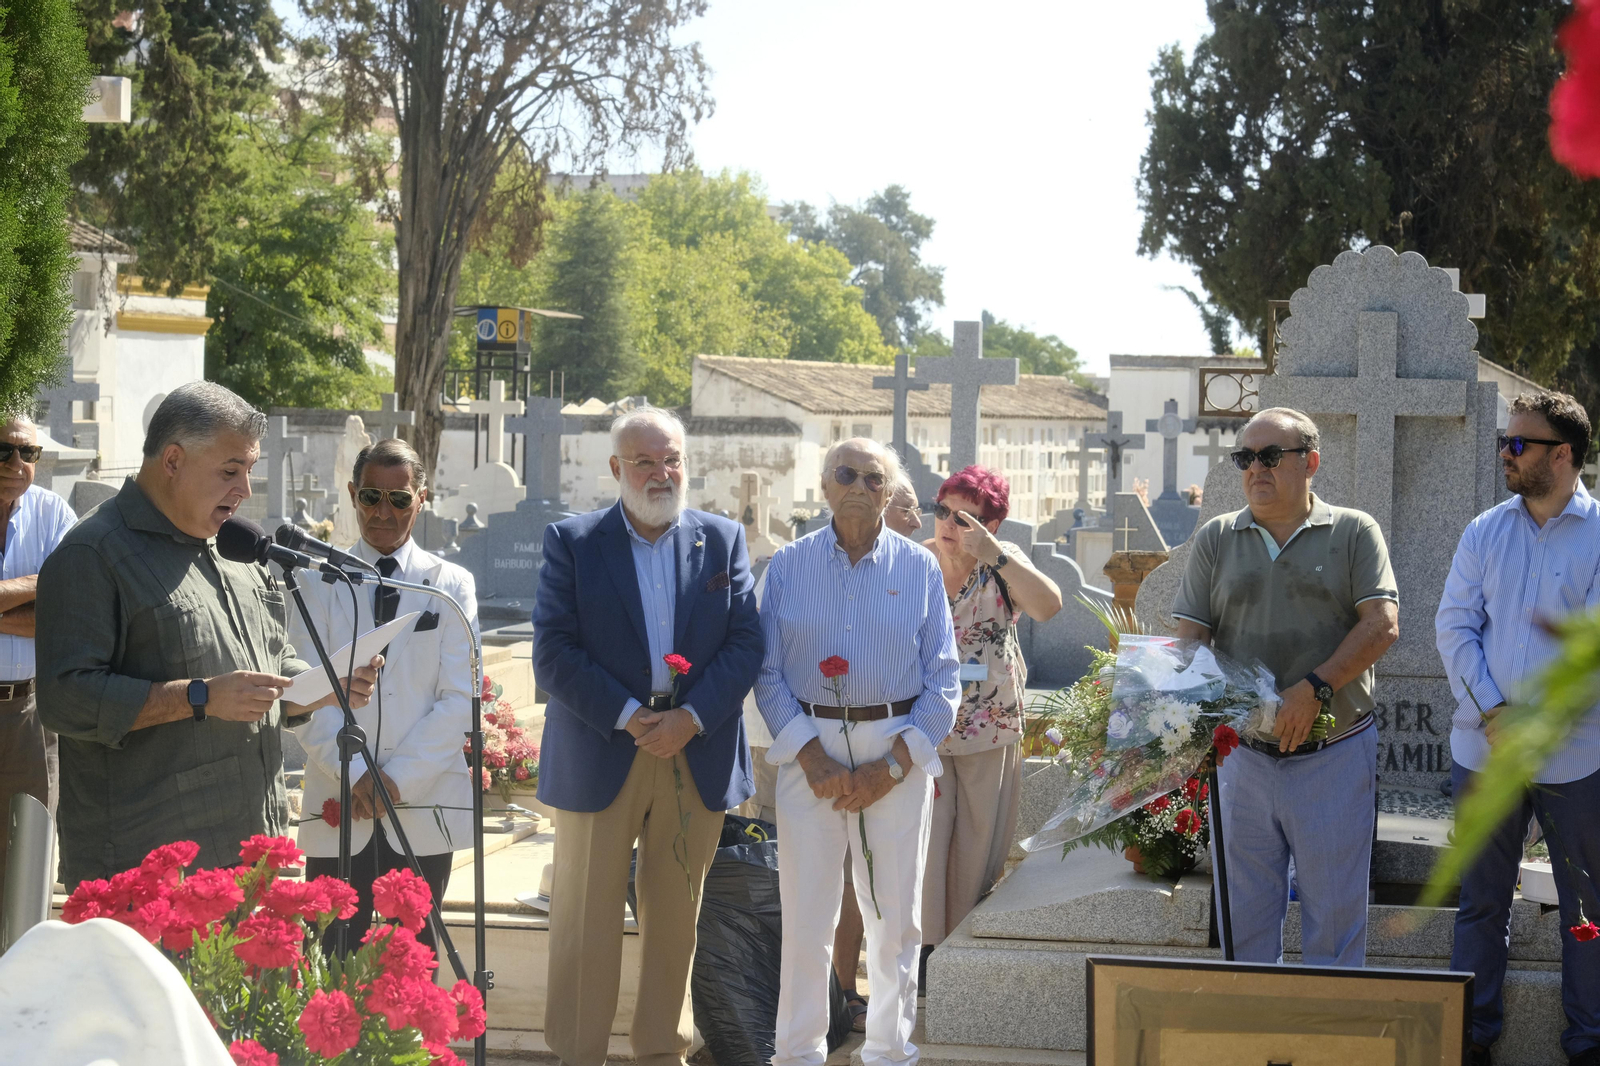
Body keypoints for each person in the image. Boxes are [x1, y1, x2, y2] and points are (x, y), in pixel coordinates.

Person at [34, 382, 379, 886]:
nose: (245, 489)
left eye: (250, 470)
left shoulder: (234, 549)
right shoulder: (93, 553)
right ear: (173, 460)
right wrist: (199, 697)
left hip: (248, 849)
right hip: (147, 866)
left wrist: (321, 687)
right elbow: (65, 699)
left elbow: (271, 658)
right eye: (230, 471)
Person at [532, 406, 763, 1066]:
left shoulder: (722, 539)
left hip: (696, 749)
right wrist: (631, 714)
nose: (662, 474)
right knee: (585, 918)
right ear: (616, 468)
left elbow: (746, 642)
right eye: (645, 462)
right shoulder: (573, 542)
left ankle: (663, 1052)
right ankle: (579, 1055)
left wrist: (691, 717)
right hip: (604, 746)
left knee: (676, 921)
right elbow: (553, 652)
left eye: (672, 460)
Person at [756, 438, 959, 1066]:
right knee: (806, 916)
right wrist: (810, 756)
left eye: (874, 478)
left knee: (894, 918)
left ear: (890, 492)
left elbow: (944, 678)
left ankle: (889, 1052)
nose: (859, 487)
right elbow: (766, 672)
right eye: (846, 474)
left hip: (895, 750)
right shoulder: (787, 566)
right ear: (824, 485)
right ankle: (797, 1053)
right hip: (809, 749)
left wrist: (894, 764)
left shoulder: (920, 569)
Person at [1172, 406, 1399, 967]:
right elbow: (1190, 639)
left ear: (1310, 462)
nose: (1256, 468)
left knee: (1335, 925)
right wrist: (1189, 712)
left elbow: (1382, 625)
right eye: (1245, 458)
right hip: (1243, 758)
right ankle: (1255, 1023)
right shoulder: (1217, 537)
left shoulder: (1354, 531)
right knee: (1244, 925)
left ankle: (1327, 1022)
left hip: (1334, 753)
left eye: (1271, 456)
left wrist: (1314, 688)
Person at [1436, 392, 1600, 1066]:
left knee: (1586, 910)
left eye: (1519, 443)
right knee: (1480, 902)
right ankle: (1471, 1037)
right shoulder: (1484, 531)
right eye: (1504, 441)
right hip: (1486, 748)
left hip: (1576, 757)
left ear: (1562, 455)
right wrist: (1495, 712)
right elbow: (1455, 626)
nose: (1505, 453)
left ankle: (1588, 1043)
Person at [289, 438, 477, 954]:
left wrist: (396, 779)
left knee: (412, 960)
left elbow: (459, 698)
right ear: (353, 494)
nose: (383, 512)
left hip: (421, 800)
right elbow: (302, 692)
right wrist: (355, 774)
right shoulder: (314, 582)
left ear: (422, 499)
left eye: (399, 499)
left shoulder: (450, 585)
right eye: (371, 496)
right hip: (339, 801)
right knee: (330, 956)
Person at [922, 466, 1061, 958]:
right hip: (925, 726)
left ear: (990, 525)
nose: (948, 524)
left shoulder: (1002, 561)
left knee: (978, 843)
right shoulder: (915, 561)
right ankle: (925, 950)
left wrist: (994, 554)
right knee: (926, 840)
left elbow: (1048, 606)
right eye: (942, 511)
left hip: (989, 724)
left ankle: (960, 952)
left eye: (963, 518)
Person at [0, 412, 76, 906]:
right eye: (4, 450)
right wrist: (35, 589)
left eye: (28, 452)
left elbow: (69, 610)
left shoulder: (52, 514)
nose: (16, 462)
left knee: (26, 866)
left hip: (29, 714)